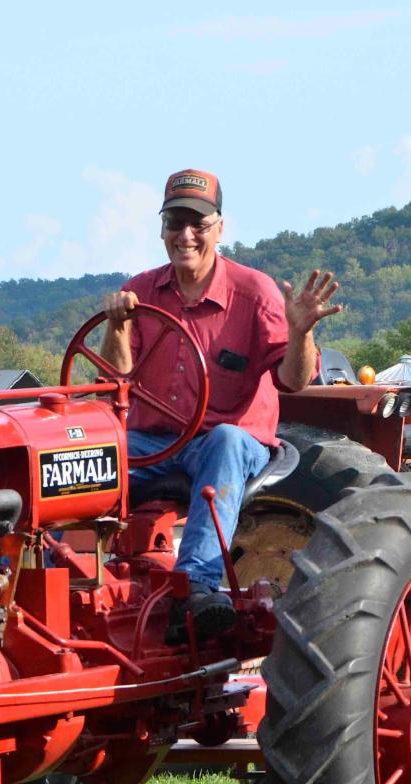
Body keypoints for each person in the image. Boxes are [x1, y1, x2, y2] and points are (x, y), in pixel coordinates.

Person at [101, 168, 341, 642]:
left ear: (220, 228)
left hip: (228, 441)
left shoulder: (253, 293)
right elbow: (115, 379)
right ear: (162, 228)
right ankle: (49, 574)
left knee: (227, 440)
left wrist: (302, 331)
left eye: (198, 223)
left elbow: (293, 382)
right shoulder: (142, 291)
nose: (185, 235)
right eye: (175, 223)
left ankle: (196, 588)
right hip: (153, 441)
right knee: (81, 457)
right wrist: (115, 326)